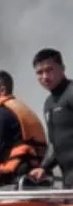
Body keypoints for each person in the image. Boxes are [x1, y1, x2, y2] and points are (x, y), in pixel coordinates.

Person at [34, 48, 73, 187]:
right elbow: (54, 142)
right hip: (68, 179)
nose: (44, 76)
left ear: (62, 68)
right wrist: (44, 167)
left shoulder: (71, 93)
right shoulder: (49, 103)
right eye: (39, 72)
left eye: (49, 70)